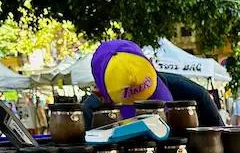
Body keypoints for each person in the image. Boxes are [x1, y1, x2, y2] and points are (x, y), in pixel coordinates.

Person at [84, 39, 223, 129]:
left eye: (153, 101)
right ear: (100, 95)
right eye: (136, 111)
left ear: (152, 66)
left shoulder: (193, 96)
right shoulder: (90, 114)